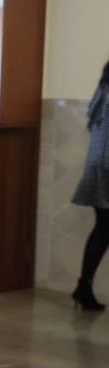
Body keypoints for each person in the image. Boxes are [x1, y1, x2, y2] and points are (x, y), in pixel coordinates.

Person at [72, 59, 109, 311]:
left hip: (98, 166)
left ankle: (83, 286)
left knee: (103, 228)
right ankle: (83, 287)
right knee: (104, 228)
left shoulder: (103, 90)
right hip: (107, 166)